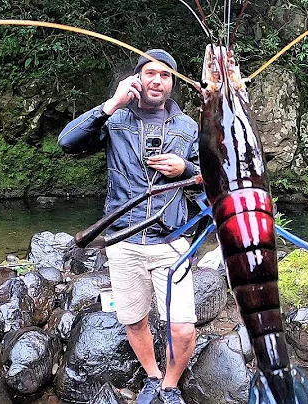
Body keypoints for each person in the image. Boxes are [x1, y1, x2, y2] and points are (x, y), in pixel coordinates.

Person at [58, 49, 199, 404]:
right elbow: (67, 143)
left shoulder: (188, 126)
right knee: (135, 320)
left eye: (165, 75)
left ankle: (170, 384)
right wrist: (111, 103)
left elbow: (209, 174)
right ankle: (153, 376)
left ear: (172, 84)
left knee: (183, 329)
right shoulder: (115, 118)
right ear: (138, 78)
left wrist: (184, 168)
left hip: (172, 239)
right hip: (123, 239)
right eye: (151, 73)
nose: (157, 80)